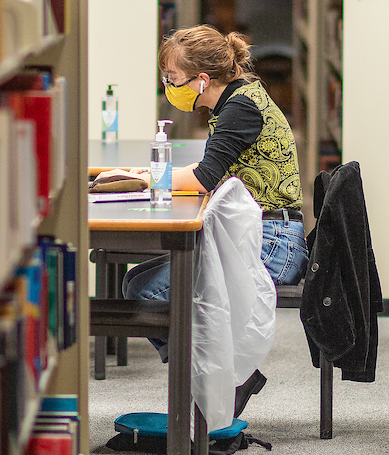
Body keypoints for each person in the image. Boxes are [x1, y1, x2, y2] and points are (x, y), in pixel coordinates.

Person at [96, 24, 309, 417]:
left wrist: (146, 179)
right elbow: (211, 167)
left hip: (273, 242)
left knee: (151, 293)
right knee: (136, 281)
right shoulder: (233, 100)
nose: (168, 87)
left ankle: (222, 379)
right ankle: (216, 374)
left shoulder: (241, 107)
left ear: (202, 80)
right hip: (255, 232)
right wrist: (146, 174)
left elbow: (203, 178)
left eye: (173, 80)